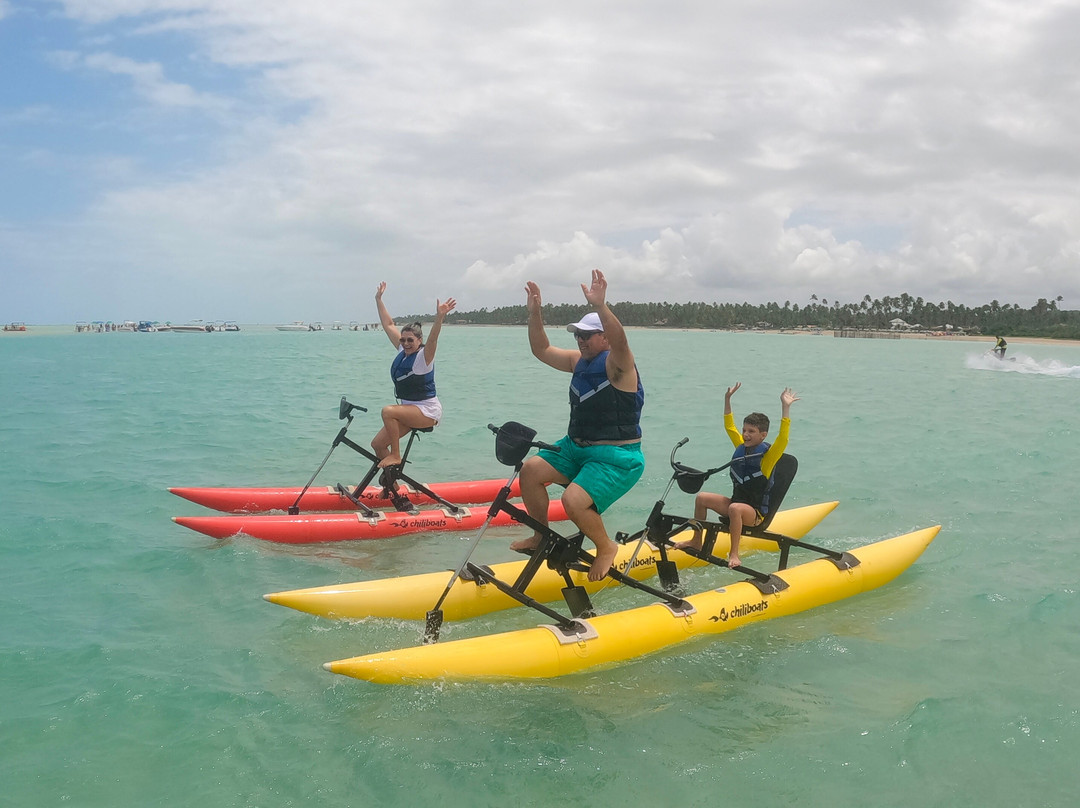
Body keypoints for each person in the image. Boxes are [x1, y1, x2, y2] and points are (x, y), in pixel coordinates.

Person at [509, 269, 645, 582]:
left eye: (587, 335)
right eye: (577, 335)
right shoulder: (577, 361)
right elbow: (541, 350)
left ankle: (606, 546)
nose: (580, 340)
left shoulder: (620, 367)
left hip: (616, 457)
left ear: (605, 337)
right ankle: (541, 535)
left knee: (573, 500)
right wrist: (535, 314)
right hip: (576, 448)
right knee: (530, 471)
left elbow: (622, 342)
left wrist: (601, 306)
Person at [675, 383, 799, 568]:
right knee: (701, 498)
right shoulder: (741, 447)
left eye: (751, 432)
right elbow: (729, 426)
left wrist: (785, 408)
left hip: (754, 514)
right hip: (736, 503)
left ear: (763, 435)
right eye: (745, 430)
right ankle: (696, 540)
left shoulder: (768, 458)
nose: (745, 435)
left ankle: (734, 554)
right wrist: (727, 400)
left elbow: (783, 438)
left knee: (735, 509)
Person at [371, 282, 457, 468]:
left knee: (388, 411)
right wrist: (378, 299)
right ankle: (392, 487)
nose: (406, 343)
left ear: (419, 340)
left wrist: (439, 317)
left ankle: (396, 455)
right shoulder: (402, 351)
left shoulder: (423, 358)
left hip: (426, 411)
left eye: (411, 340)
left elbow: (433, 339)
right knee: (377, 445)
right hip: (409, 410)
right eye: (404, 340)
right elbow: (388, 324)